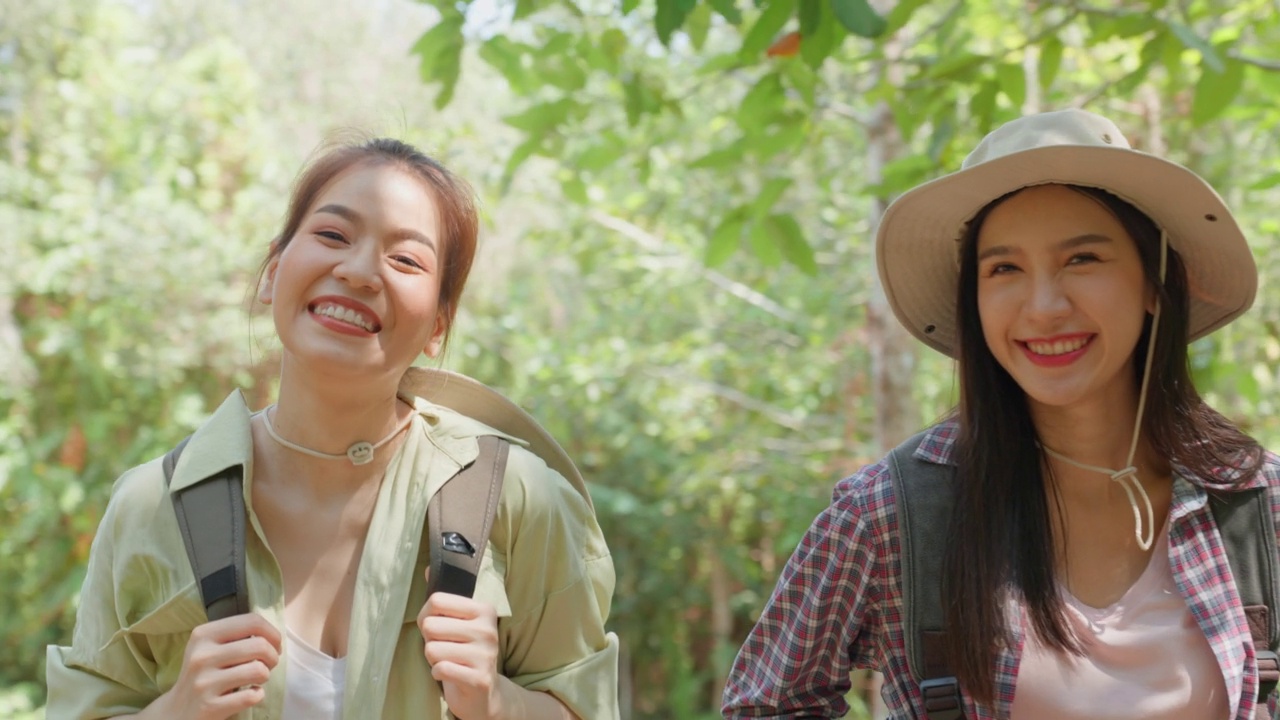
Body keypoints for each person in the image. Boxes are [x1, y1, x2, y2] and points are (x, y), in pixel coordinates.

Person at [721, 109, 1279, 719]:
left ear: (1154, 284)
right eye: (1004, 268)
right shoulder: (896, 512)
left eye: (1082, 259)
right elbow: (765, 704)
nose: (1043, 307)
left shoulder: (1256, 505)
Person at [46, 137, 619, 720]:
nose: (361, 271)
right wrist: (174, 712)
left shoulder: (515, 498)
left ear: (438, 327)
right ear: (273, 273)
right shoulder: (152, 507)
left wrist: (497, 703)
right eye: (332, 236)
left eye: (406, 260)